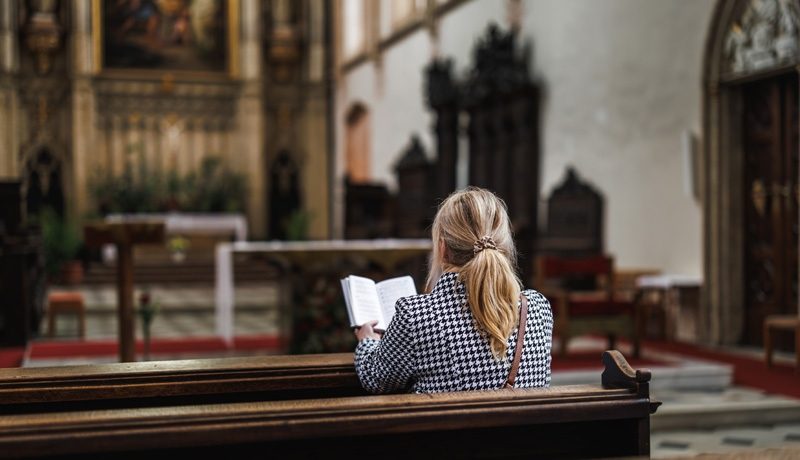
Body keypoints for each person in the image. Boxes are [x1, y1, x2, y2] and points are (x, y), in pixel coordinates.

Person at [354, 187, 553, 393]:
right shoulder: (537, 309)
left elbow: (376, 379)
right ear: (503, 246)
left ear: (442, 248)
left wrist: (367, 340)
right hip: (524, 426)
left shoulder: (416, 316)